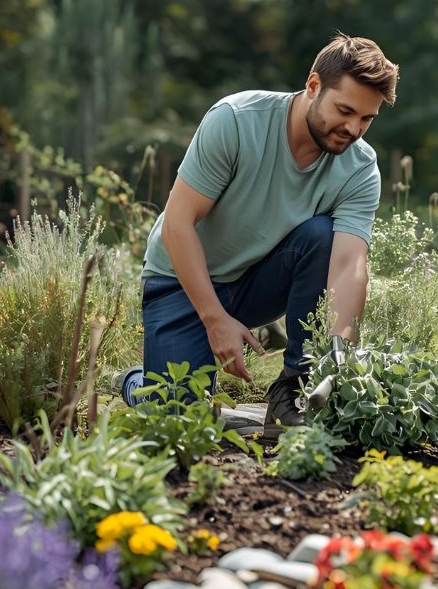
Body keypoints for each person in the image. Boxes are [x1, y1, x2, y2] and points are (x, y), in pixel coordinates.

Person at [119, 33, 400, 439]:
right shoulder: (236, 120)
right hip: (179, 282)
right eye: (345, 111)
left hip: (255, 282)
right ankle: (135, 383)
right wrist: (215, 320)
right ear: (314, 85)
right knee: (180, 422)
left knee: (321, 236)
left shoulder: (359, 169)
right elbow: (178, 223)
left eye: (367, 119)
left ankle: (292, 390)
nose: (354, 128)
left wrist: (338, 352)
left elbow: (349, 265)